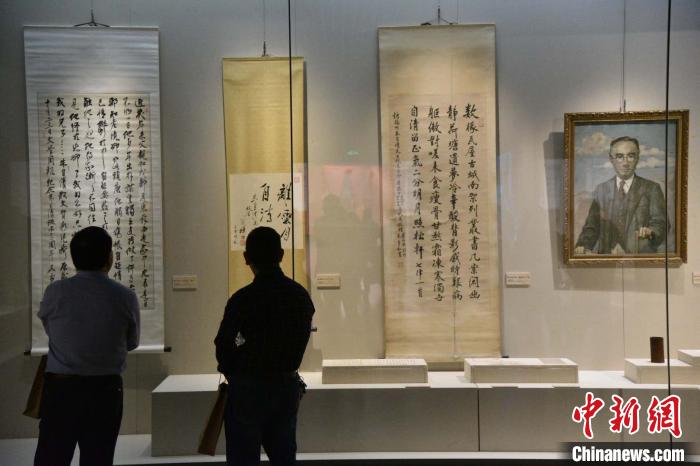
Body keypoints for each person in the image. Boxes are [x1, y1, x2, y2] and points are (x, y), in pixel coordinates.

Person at [34, 226, 140, 466]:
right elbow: (131, 342)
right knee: (98, 458)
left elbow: (49, 328)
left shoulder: (56, 291)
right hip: (105, 390)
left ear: (74, 258)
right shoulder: (124, 296)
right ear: (109, 258)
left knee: (52, 457)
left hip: (61, 389)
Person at [215, 226, 315, 466]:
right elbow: (299, 343)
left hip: (247, 388)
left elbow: (223, 345)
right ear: (281, 255)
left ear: (246, 258)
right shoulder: (299, 296)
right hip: (284, 385)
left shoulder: (242, 299)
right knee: (283, 457)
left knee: (243, 459)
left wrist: (236, 366)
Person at [575, 136, 666, 255]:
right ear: (611, 159)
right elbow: (592, 226)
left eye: (631, 156)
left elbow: (661, 223)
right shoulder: (601, 190)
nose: (625, 163)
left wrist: (651, 232)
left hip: (640, 259)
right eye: (619, 156)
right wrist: (583, 245)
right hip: (607, 259)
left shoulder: (652, 188)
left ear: (637, 158)